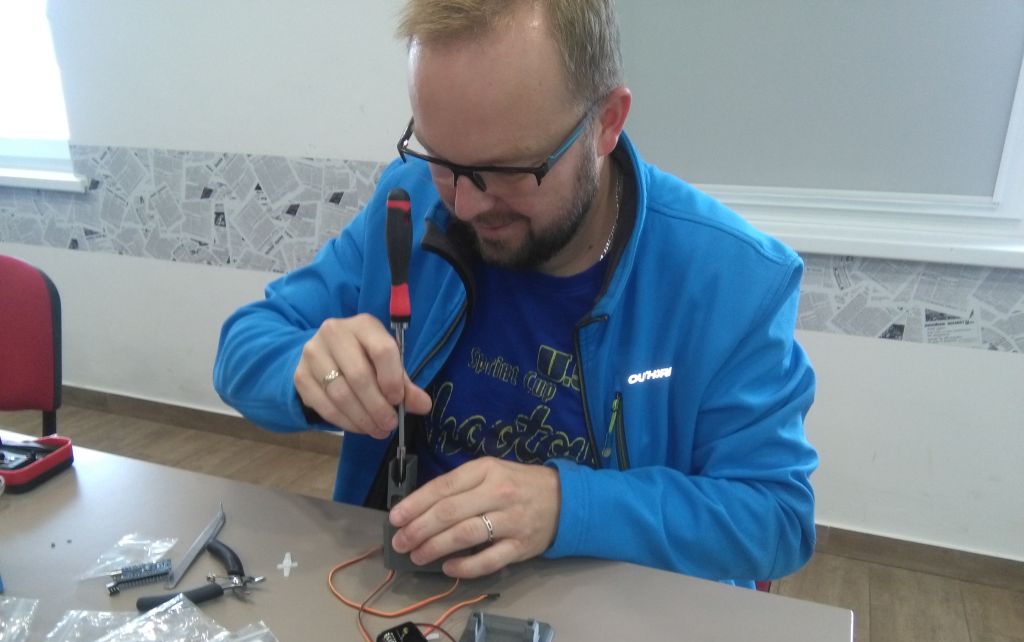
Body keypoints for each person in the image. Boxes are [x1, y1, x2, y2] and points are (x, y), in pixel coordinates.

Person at [213, 0, 818, 588]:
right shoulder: (412, 202)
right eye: (441, 158)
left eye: (508, 170)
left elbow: (775, 518)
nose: (465, 205)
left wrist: (566, 505)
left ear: (606, 123)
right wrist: (310, 373)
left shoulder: (732, 280)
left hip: (615, 620)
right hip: (398, 597)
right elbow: (244, 345)